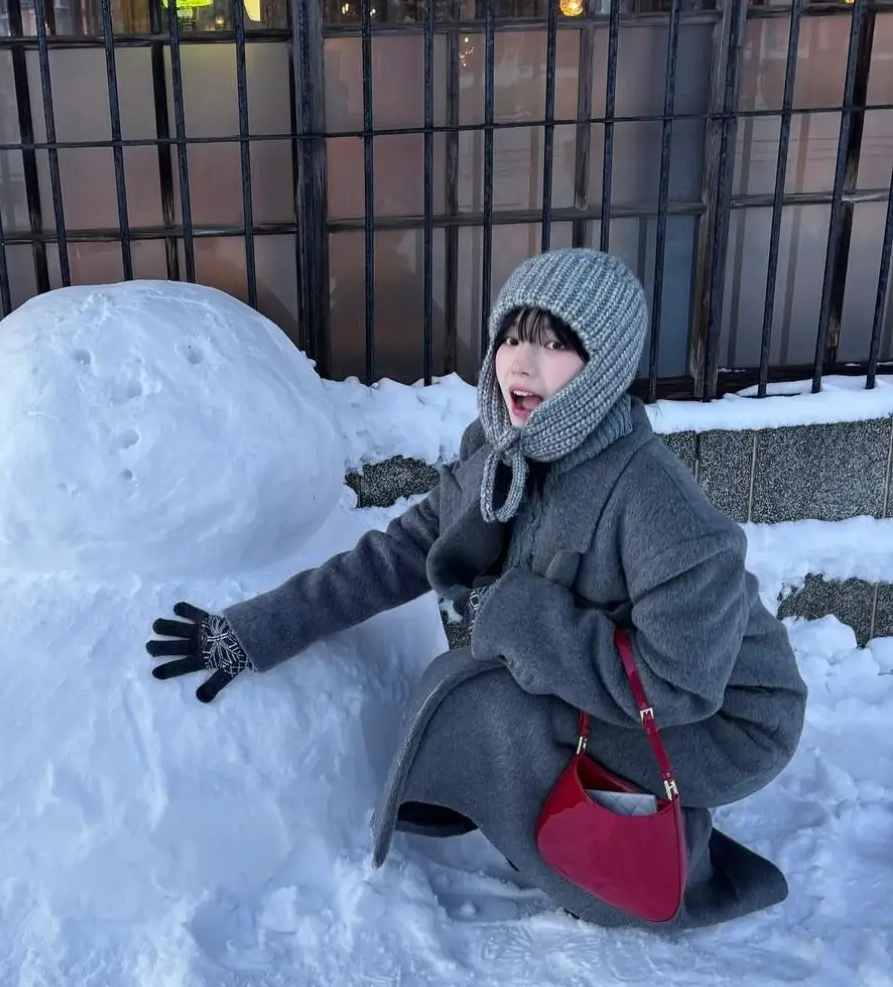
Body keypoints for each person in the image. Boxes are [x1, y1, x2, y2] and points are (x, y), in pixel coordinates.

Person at [145, 248, 808, 928]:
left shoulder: (657, 505)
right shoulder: (500, 455)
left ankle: (641, 879)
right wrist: (253, 631)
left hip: (726, 720)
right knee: (485, 686)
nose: (521, 362)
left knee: (502, 708)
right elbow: (397, 554)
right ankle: (525, 800)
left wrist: (523, 618)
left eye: (554, 345)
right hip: (646, 691)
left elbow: (680, 685)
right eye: (513, 337)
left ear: (603, 369)